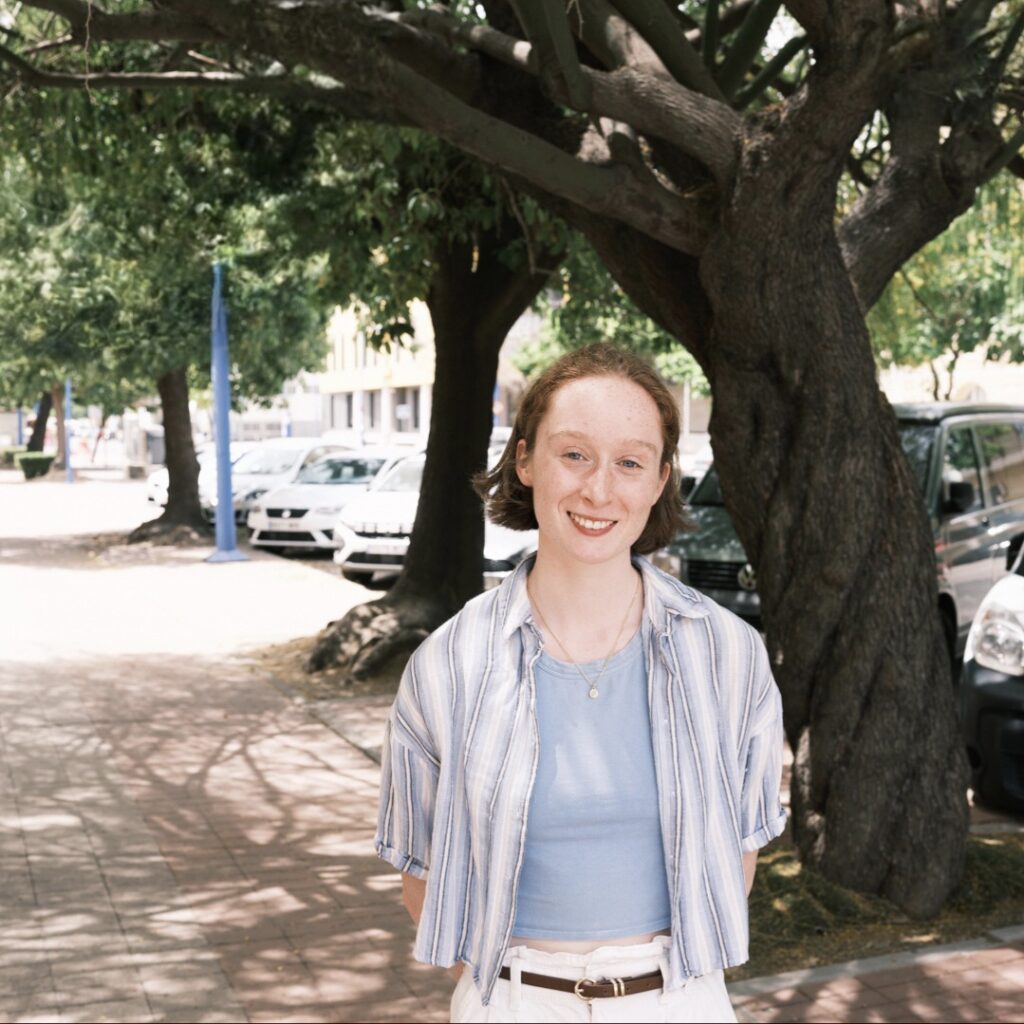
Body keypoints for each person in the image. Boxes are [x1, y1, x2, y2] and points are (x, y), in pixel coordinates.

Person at [375, 344, 787, 1023]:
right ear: (526, 459)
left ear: (659, 480)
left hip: (678, 1003)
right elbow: (419, 874)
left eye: (629, 461)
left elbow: (740, 852)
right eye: (574, 455)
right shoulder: (450, 663)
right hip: (511, 1003)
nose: (599, 490)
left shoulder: (727, 654)